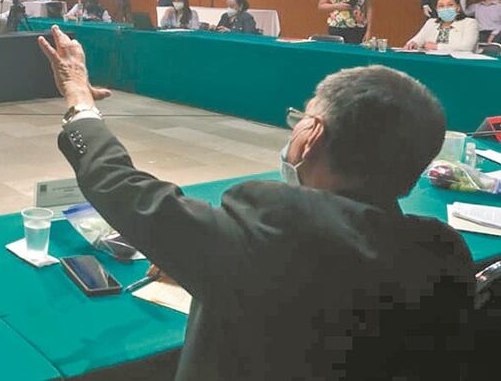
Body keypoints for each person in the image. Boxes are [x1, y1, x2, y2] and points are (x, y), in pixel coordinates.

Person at [37, 25, 473, 381]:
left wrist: (78, 96)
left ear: (311, 135)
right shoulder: (444, 251)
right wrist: (208, 253)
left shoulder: (271, 230)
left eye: (299, 117)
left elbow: (119, 184)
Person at [405, 0, 479, 53]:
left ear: (458, 8)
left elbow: (467, 47)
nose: (445, 8)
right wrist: (413, 43)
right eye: (441, 6)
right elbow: (417, 39)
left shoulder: (470, 23)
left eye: (450, 5)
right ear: (436, 9)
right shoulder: (431, 23)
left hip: (460, 65)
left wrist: (436, 46)